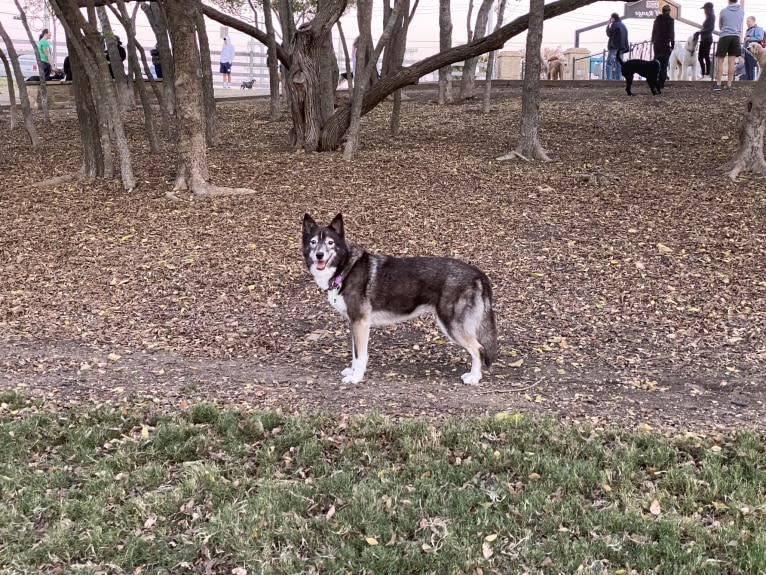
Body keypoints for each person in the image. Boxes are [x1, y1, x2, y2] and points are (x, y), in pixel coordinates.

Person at [713, 0, 744, 91]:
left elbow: (720, 25)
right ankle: (729, 85)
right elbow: (739, 24)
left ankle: (718, 84)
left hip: (724, 36)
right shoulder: (742, 12)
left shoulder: (723, 11)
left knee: (720, 61)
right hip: (735, 37)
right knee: (732, 62)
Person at [651, 4, 675, 89]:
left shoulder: (657, 19)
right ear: (669, 12)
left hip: (657, 44)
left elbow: (653, 31)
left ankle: (654, 81)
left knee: (656, 63)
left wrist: (653, 41)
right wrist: (672, 44)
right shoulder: (670, 20)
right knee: (664, 65)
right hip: (665, 45)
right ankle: (661, 83)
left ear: (662, 11)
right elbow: (672, 33)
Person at [605, 13, 629, 80]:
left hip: (614, 48)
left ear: (613, 18)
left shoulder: (614, 24)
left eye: (611, 18)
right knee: (619, 64)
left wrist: (608, 25)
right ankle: (619, 79)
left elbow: (609, 33)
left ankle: (608, 80)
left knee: (609, 64)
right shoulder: (623, 25)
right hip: (621, 49)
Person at [695, 2, 716, 79]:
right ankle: (704, 74)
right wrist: (700, 32)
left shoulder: (712, 17)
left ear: (708, 9)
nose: (704, 11)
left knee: (705, 57)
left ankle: (706, 74)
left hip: (707, 39)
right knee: (701, 57)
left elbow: (711, 28)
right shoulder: (708, 17)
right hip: (704, 39)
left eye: (705, 9)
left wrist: (700, 32)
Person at [743, 16, 764, 80]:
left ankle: (752, 82)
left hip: (753, 52)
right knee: (747, 67)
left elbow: (760, 38)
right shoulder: (748, 30)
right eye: (746, 21)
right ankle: (748, 82)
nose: (747, 23)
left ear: (753, 21)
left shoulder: (758, 29)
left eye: (748, 21)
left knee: (752, 67)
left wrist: (750, 38)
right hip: (747, 51)